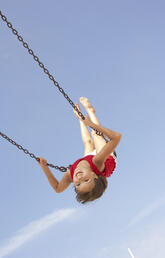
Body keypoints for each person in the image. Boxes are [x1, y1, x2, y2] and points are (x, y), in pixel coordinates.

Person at [38, 97, 122, 204]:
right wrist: (90, 124)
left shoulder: (71, 175)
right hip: (108, 159)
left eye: (78, 184)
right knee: (96, 135)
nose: (79, 178)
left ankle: (80, 118)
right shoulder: (98, 163)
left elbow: (58, 188)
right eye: (86, 180)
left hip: (87, 161)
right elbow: (116, 138)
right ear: (94, 175)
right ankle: (91, 111)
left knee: (87, 142)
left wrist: (44, 167)